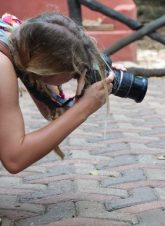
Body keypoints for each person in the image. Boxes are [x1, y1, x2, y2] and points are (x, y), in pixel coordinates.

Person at [0, 12, 115, 174]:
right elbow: (14, 158)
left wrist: (100, 75)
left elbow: (55, 111)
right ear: (48, 66)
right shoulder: (1, 65)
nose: (75, 74)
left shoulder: (16, 34)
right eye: (73, 71)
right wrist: (85, 107)